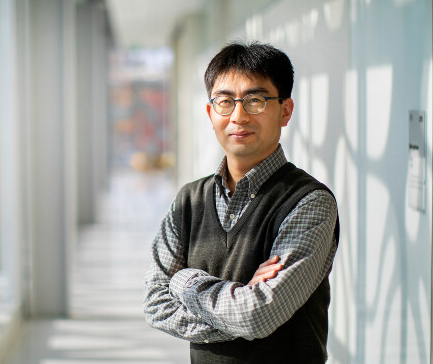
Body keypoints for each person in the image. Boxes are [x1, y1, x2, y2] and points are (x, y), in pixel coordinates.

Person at [143, 42, 339, 363]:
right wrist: (239, 304)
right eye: (225, 101)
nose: (238, 116)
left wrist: (183, 281)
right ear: (210, 112)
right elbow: (154, 303)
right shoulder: (189, 201)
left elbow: (256, 316)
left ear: (285, 110)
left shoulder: (309, 202)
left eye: (256, 100)